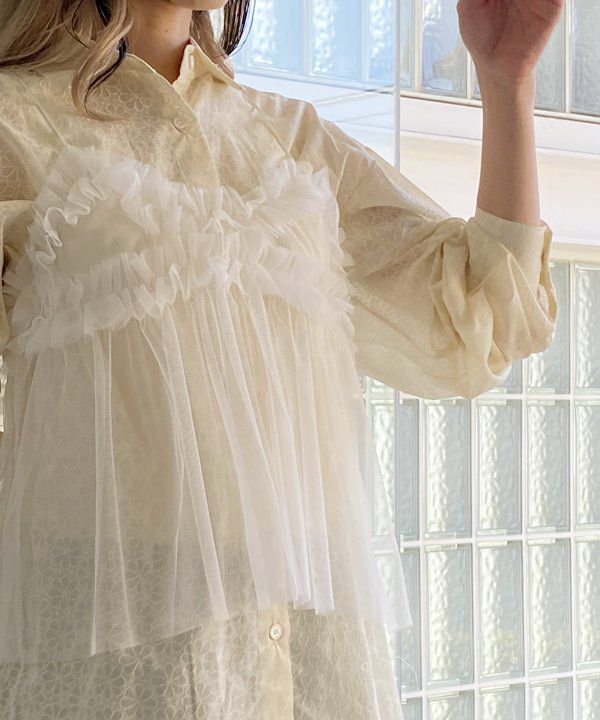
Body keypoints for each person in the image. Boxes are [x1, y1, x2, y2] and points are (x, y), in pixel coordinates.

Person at [0, 0, 562, 718]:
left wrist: (507, 81)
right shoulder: (18, 122)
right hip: (117, 668)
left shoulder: (290, 139)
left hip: (311, 657)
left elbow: (483, 313)